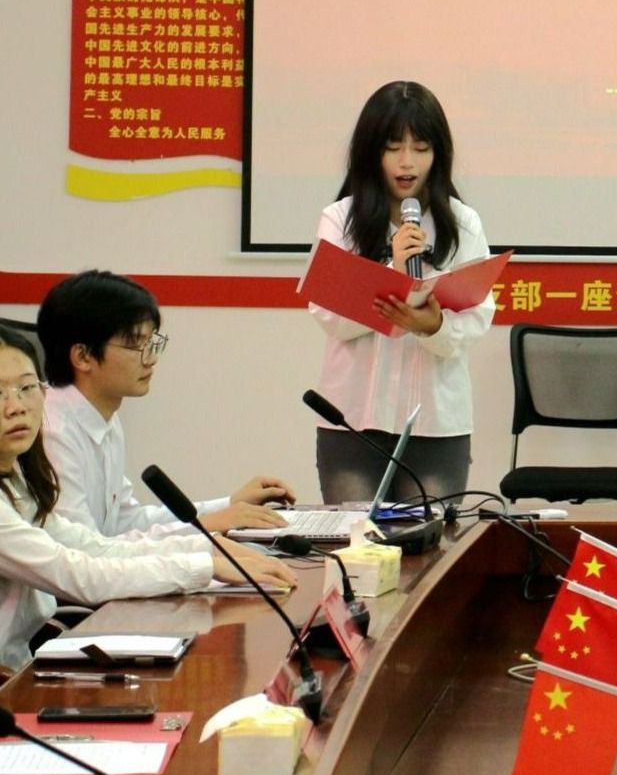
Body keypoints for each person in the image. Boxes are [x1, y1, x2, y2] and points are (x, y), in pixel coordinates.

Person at [0, 326, 296, 676]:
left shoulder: (18, 480)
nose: (15, 407)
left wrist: (206, 550)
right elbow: (78, 574)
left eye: (26, 388)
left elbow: (95, 547)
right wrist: (205, 566)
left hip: (23, 662)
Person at [310, 80, 495, 503]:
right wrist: (391, 274)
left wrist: (433, 326)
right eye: (393, 148)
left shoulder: (463, 224)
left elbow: (478, 316)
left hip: (436, 423)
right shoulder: (339, 220)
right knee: (355, 540)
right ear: (370, 152)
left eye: (421, 148)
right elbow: (328, 316)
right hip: (353, 419)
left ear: (439, 154)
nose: (407, 162)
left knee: (432, 541)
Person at [37, 270, 293, 536]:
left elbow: (126, 521)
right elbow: (84, 548)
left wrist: (229, 505)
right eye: (137, 345)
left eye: (153, 343)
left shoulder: (103, 418)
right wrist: (207, 527)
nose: (151, 359)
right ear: (83, 356)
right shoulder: (53, 432)